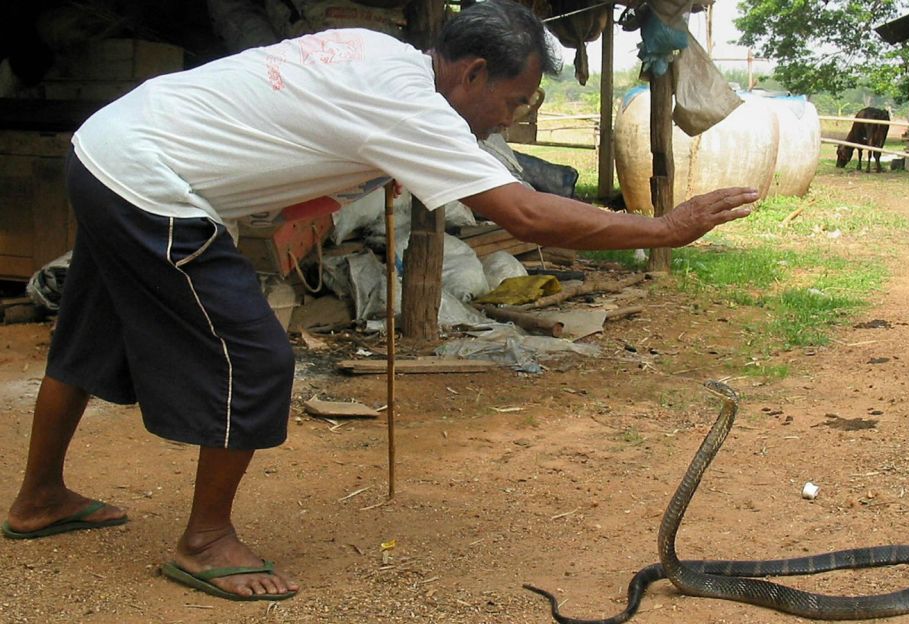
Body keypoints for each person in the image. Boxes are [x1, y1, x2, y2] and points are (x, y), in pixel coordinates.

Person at [2, 0, 759, 602]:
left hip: (106, 147)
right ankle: (203, 543)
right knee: (256, 357)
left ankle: (39, 499)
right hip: (150, 184)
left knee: (88, 338)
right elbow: (523, 214)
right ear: (468, 73)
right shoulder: (416, 109)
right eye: (514, 99)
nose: (514, 118)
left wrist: (322, 198)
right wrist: (661, 225)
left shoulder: (381, 54)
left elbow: (307, 123)